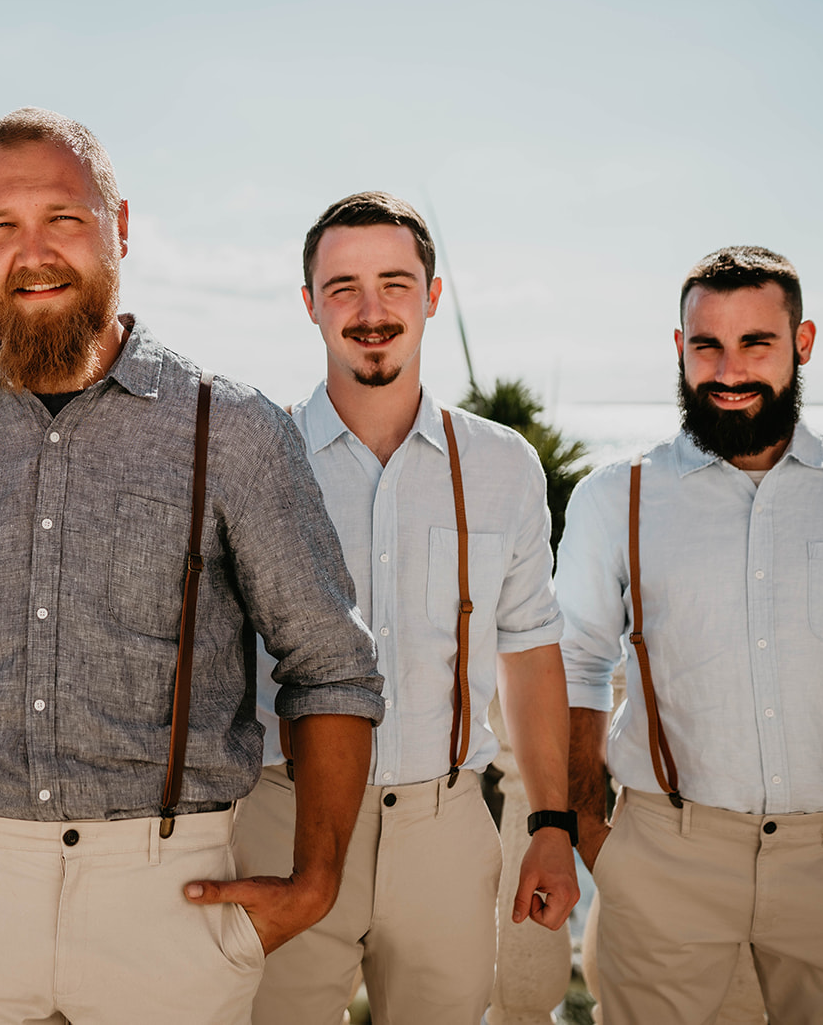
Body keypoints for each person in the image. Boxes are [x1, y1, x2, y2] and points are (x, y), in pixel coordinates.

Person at [0, 107, 382, 1024]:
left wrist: (317, 880)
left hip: (171, 903)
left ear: (120, 226)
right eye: (1, 228)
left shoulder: (231, 431)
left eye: (64, 220)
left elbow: (330, 663)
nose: (32, 253)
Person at [233, 191, 579, 1023]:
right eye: (343, 286)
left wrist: (552, 823)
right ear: (309, 302)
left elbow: (529, 652)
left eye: (395, 282)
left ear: (431, 294)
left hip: (446, 830)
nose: (371, 310)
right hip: (281, 816)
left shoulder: (505, 465)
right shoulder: (251, 455)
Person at [560, 245, 823, 1023]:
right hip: (666, 864)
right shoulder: (618, 496)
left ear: (802, 344)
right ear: (678, 348)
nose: (729, 368)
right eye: (706, 344)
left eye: (757, 343)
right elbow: (576, 664)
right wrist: (582, 823)